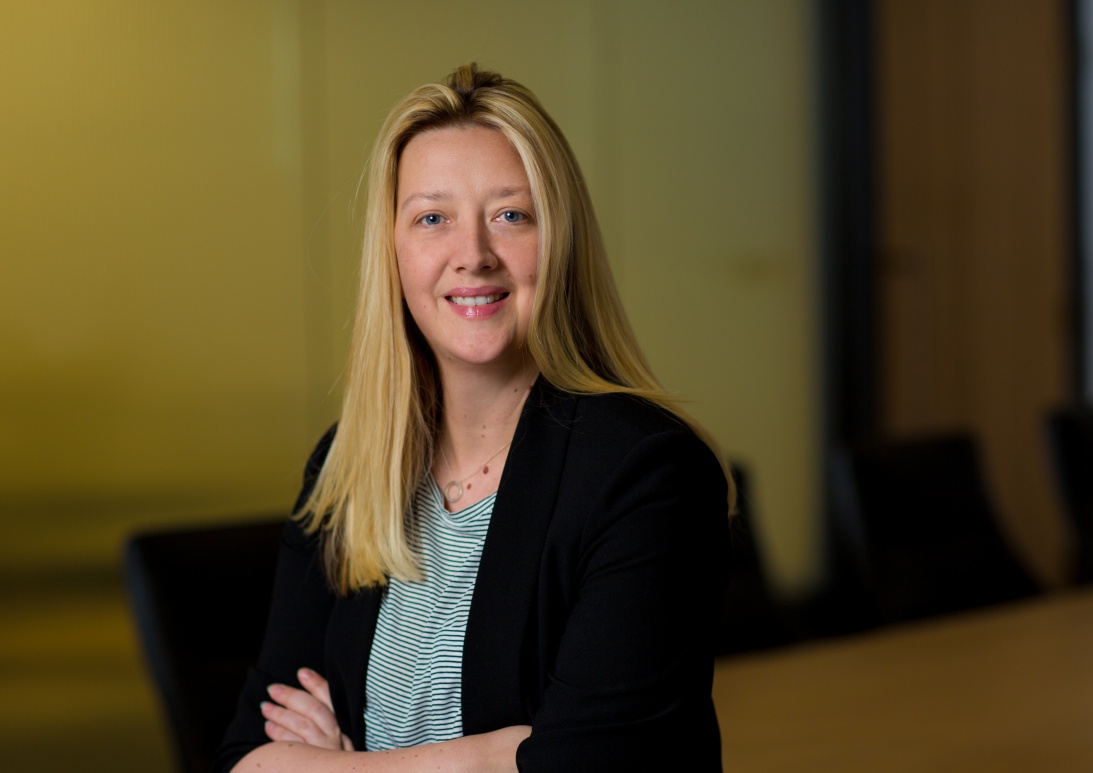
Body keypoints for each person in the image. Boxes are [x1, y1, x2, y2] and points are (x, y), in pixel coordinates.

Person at [214, 63, 733, 773]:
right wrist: (496, 754)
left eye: (511, 215)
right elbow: (248, 758)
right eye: (433, 218)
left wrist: (336, 765)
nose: (474, 256)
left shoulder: (644, 471)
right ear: (392, 253)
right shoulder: (350, 464)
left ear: (561, 241)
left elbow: (598, 761)